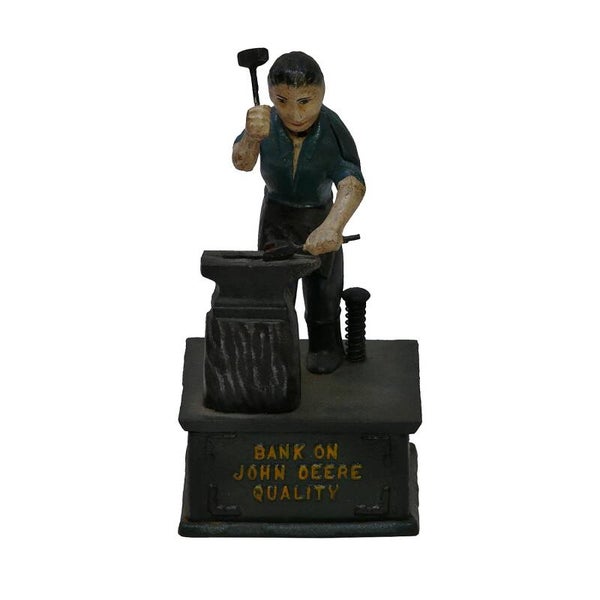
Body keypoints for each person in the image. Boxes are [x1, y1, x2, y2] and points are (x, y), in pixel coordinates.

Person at [232, 51, 366, 374]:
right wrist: (251, 138)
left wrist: (333, 225)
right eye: (283, 100)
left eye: (305, 101)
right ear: (270, 95)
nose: (295, 113)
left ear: (321, 93)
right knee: (273, 291)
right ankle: (274, 350)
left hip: (319, 215)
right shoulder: (264, 122)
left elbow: (352, 181)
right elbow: (242, 162)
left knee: (323, 290)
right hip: (276, 216)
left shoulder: (331, 127)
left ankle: (324, 346)